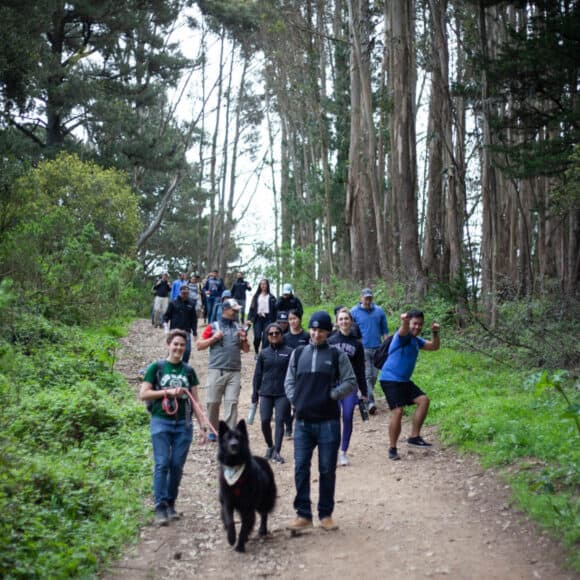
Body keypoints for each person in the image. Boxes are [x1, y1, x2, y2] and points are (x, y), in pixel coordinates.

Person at [284, 310, 357, 532]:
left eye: (321, 330)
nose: (317, 334)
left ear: (328, 331)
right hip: (303, 423)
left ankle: (326, 514)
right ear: (310, 330)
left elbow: (350, 381)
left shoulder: (337, 355)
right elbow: (288, 381)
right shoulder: (298, 354)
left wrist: (333, 395)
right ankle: (303, 514)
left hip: (329, 422)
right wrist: (297, 399)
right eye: (314, 329)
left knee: (326, 469)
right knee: (300, 467)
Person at [139, 330, 208, 526]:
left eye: (182, 345)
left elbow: (195, 401)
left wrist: (203, 425)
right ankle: (160, 506)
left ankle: (170, 503)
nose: (178, 348)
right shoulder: (157, 367)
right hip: (161, 421)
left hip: (184, 423)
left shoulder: (189, 371)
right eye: (175, 344)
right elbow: (143, 394)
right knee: (162, 463)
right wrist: (166, 392)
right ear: (168, 345)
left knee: (176, 465)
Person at [379, 309, 440, 461]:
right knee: (398, 411)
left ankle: (414, 436)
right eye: (414, 324)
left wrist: (435, 332)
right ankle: (392, 448)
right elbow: (403, 329)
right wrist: (405, 322)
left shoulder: (416, 340)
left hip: (404, 381)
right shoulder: (402, 336)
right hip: (390, 379)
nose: (417, 327)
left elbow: (434, 347)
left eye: (420, 324)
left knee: (423, 400)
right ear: (409, 323)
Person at [197, 298, 250, 440]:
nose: (236, 312)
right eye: (234, 310)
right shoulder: (213, 326)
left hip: (234, 371)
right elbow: (199, 345)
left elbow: (246, 350)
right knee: (212, 402)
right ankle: (213, 430)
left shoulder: (239, 327)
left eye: (237, 310)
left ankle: (229, 433)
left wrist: (244, 339)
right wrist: (214, 338)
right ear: (225, 309)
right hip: (216, 369)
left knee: (232, 403)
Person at [327, 308, 368, 466]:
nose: (344, 321)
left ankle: (343, 451)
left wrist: (364, 392)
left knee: (348, 416)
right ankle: (332, 449)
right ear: (337, 322)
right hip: (333, 384)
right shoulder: (330, 341)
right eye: (341, 319)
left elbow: (360, 369)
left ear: (351, 321)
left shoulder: (357, 344)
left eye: (346, 319)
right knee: (332, 418)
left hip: (350, 385)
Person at [252, 323, 293, 464]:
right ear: (267, 336)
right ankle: (270, 446)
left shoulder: (289, 352)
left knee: (280, 421)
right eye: (271, 333)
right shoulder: (264, 353)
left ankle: (277, 452)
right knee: (264, 421)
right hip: (266, 392)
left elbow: (294, 374)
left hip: (283, 393)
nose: (274, 335)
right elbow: (257, 375)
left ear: (281, 335)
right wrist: (254, 394)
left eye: (277, 333)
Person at [350, 288, 389, 415]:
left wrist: (387, 346)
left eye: (370, 298)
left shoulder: (379, 311)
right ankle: (370, 402)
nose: (368, 300)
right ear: (361, 298)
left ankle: (365, 395)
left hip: (378, 348)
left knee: (373, 376)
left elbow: (385, 330)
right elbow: (351, 331)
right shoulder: (354, 312)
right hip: (362, 349)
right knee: (367, 375)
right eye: (366, 298)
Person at [281, 309, 309, 438]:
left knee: (300, 401)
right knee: (287, 400)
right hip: (286, 372)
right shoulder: (284, 337)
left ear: (300, 319)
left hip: (303, 373)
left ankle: (300, 425)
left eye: (294, 318)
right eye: (290, 319)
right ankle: (288, 426)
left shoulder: (307, 336)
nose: (292, 321)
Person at [164, 285, 197, 363]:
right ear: (180, 292)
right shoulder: (173, 302)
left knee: (187, 351)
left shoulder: (191, 304)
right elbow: (166, 316)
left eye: (186, 293)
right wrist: (166, 328)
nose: (185, 295)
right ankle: (168, 365)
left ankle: (184, 367)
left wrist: (195, 333)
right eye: (183, 293)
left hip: (186, 331)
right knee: (172, 350)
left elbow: (194, 319)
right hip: (174, 331)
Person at [247, 278, 277, 355]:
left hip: (268, 319)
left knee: (266, 338)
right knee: (257, 337)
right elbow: (251, 308)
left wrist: (275, 321)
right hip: (258, 319)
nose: (263, 285)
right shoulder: (256, 296)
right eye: (261, 284)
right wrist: (249, 319)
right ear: (259, 286)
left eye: (265, 284)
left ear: (267, 285)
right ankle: (256, 351)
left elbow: (275, 310)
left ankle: (263, 354)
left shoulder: (272, 297)